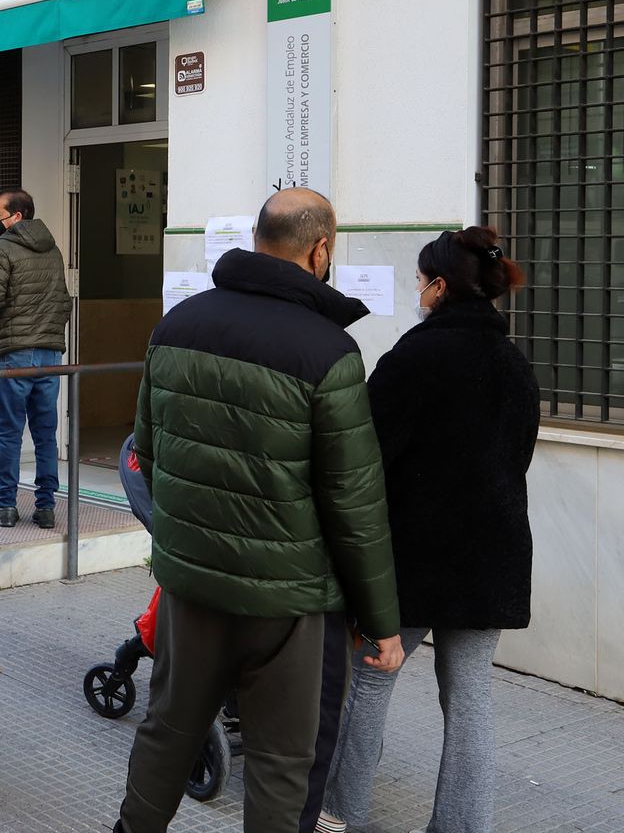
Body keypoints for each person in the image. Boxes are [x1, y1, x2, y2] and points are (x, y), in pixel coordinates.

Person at [115, 188, 404, 833]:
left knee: (167, 733)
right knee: (280, 761)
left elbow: (149, 452)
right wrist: (383, 621)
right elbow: (355, 504)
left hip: (192, 588)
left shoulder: (177, 326)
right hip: (290, 604)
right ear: (320, 250)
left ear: (255, 240)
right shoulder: (328, 352)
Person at [317, 227, 538, 833]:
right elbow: (517, 458)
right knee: (471, 704)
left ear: (440, 287)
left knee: (371, 679)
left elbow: (365, 461)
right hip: (491, 558)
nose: (418, 290)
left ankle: (339, 814)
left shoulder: (412, 358)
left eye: (420, 280)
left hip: (408, 558)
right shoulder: (516, 366)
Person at [0, 189, 73, 528]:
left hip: (14, 355)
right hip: (50, 355)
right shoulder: (53, 249)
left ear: (17, 217)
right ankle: (46, 508)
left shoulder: (1, 250)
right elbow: (63, 301)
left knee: (9, 433)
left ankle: (7, 507)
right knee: (45, 434)